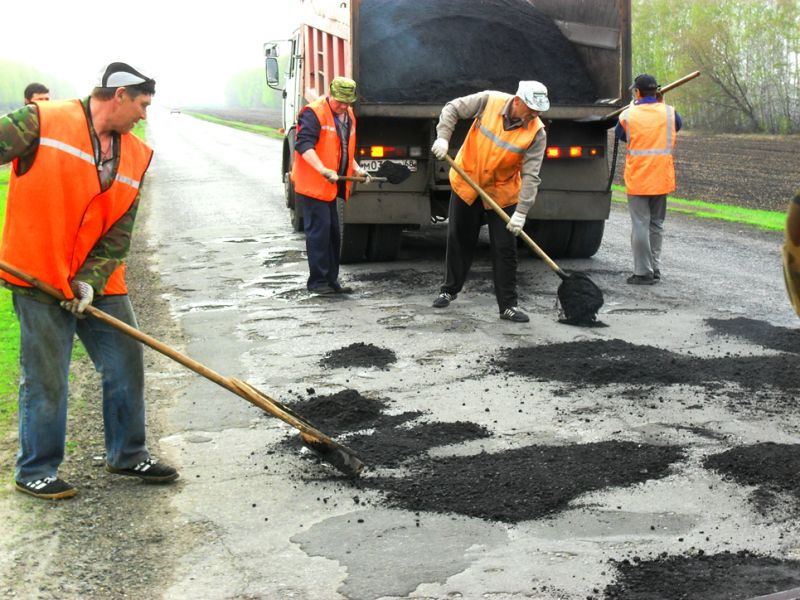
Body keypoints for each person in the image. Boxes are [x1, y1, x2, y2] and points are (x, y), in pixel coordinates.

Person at [0, 62, 178, 500]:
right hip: (37, 273)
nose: (144, 115)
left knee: (126, 360)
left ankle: (128, 453)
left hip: (97, 280)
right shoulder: (41, 121)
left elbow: (118, 233)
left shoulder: (135, 155)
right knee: (46, 376)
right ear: (118, 96)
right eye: (141, 104)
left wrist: (89, 283)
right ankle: (36, 469)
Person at [430, 81, 549, 323]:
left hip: (501, 192)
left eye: (539, 111)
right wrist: (443, 138)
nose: (535, 115)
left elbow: (531, 175)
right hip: (467, 182)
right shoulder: (489, 100)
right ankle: (449, 290)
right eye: (531, 109)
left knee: (505, 248)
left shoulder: (537, 132)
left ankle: (508, 306)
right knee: (459, 238)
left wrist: (522, 212)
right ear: (517, 101)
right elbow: (452, 108)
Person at [291, 76, 371, 295]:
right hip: (314, 185)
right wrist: (322, 169)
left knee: (333, 235)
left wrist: (356, 169)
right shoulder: (313, 112)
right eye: (339, 101)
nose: (343, 106)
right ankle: (317, 283)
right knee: (319, 234)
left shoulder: (348, 115)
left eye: (348, 102)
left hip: (331, 187)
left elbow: (344, 149)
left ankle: (332, 281)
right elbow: (303, 144)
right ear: (330, 94)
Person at [616, 73, 682, 285]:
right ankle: (655, 268)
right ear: (657, 91)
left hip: (638, 179)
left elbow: (620, 135)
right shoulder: (670, 113)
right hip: (661, 177)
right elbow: (676, 126)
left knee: (640, 225)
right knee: (656, 225)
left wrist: (632, 107)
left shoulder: (628, 115)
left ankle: (643, 272)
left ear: (637, 92)